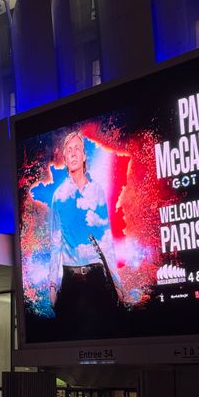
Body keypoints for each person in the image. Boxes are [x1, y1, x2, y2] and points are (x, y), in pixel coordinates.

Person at [47, 132, 127, 338]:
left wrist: (117, 283)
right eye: (69, 150)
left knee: (105, 334)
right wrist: (53, 285)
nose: (73, 154)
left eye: (77, 149)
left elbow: (106, 240)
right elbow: (55, 244)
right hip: (70, 279)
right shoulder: (58, 197)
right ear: (65, 159)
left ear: (84, 156)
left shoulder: (97, 191)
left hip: (96, 278)